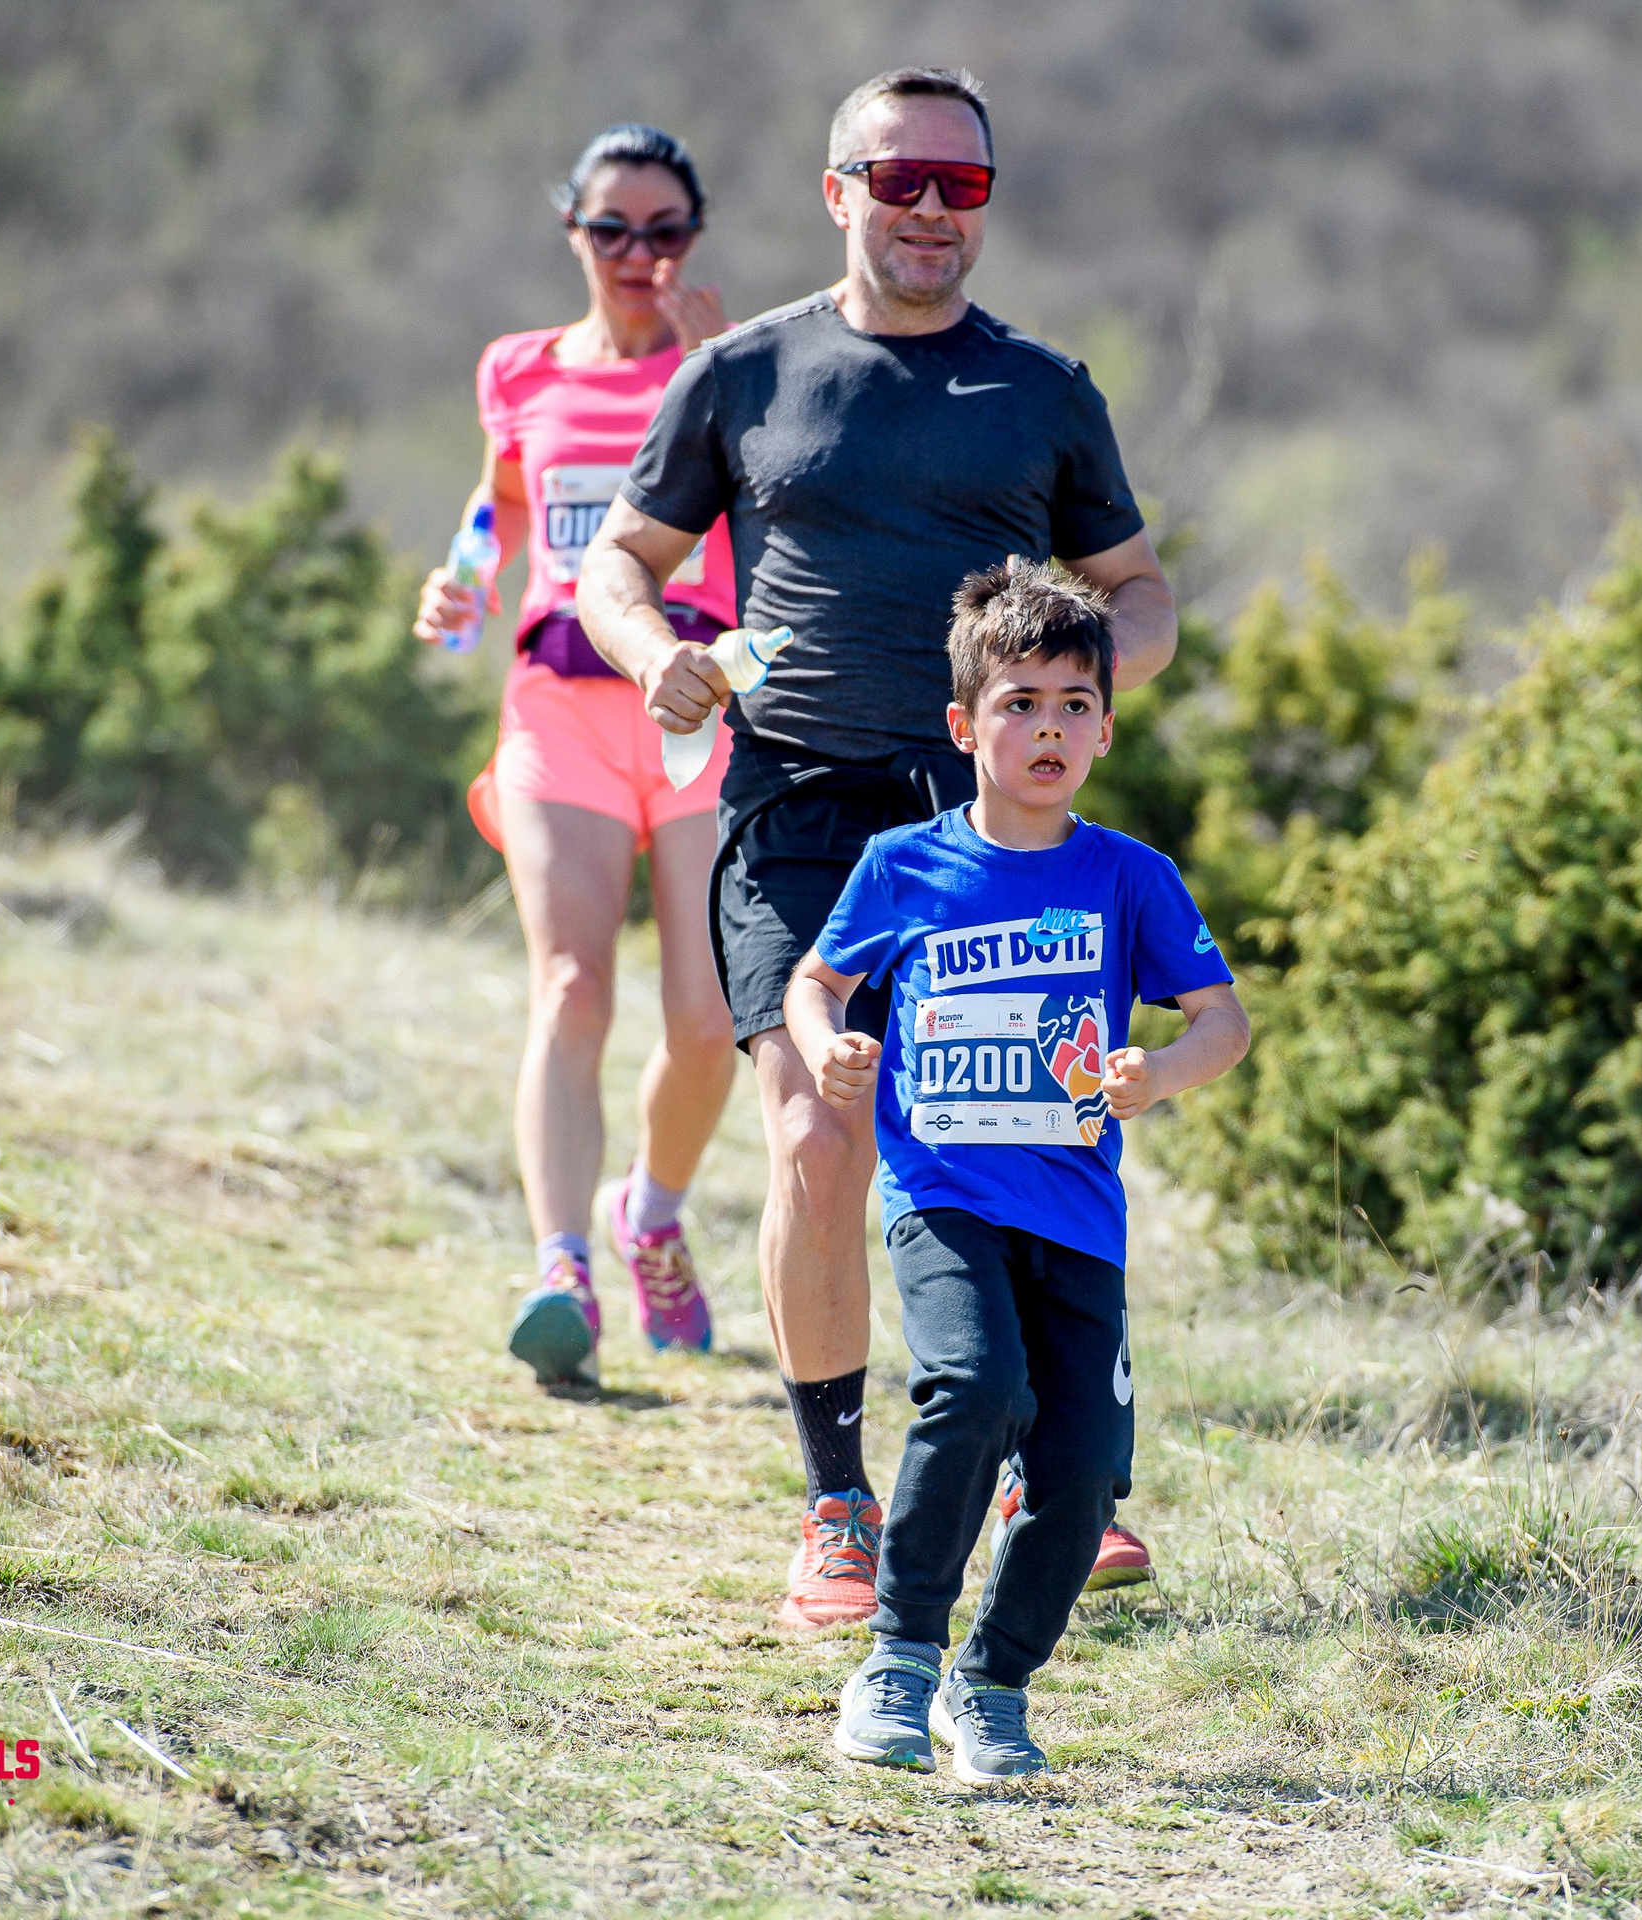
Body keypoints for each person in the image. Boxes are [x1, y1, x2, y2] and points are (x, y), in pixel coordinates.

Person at [578, 68, 1179, 1627]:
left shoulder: (1042, 389)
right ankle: (838, 1502)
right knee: (814, 1138)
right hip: (795, 808)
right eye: (897, 179)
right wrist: (658, 657)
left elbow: (1140, 587)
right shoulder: (740, 371)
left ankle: (1059, 1472)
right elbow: (616, 568)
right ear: (837, 189)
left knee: (1022, 1133)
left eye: (960, 186)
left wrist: (1087, 674)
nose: (929, 209)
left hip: (983, 819)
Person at [788, 560, 1249, 1781]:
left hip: (1077, 1216)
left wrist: (1164, 1069)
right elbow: (817, 978)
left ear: (1104, 724)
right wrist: (823, 1040)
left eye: (1072, 704)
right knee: (972, 1387)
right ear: (964, 725)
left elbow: (1224, 1022)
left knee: (1084, 1462)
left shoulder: (1128, 876)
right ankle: (896, 1660)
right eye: (1018, 702)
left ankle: (989, 1687)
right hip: (942, 1193)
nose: (1047, 726)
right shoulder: (901, 865)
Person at [413, 124, 738, 1387]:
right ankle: (560, 1269)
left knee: (709, 1021)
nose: (639, 256)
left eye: (664, 232)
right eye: (614, 230)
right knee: (570, 987)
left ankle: (647, 1214)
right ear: (574, 233)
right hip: (557, 701)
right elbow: (499, 503)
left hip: (697, 701)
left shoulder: (726, 363)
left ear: (692, 240)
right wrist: (462, 584)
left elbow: (776, 504)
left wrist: (720, 369)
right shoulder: (516, 368)